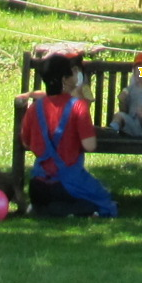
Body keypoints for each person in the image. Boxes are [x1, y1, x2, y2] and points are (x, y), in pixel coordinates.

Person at [19, 51, 118, 217]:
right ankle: (62, 210)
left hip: (37, 185)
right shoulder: (78, 107)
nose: (75, 76)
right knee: (105, 201)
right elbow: (90, 145)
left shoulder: (34, 108)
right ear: (65, 80)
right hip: (66, 183)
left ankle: (41, 208)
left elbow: (25, 143)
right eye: (72, 73)